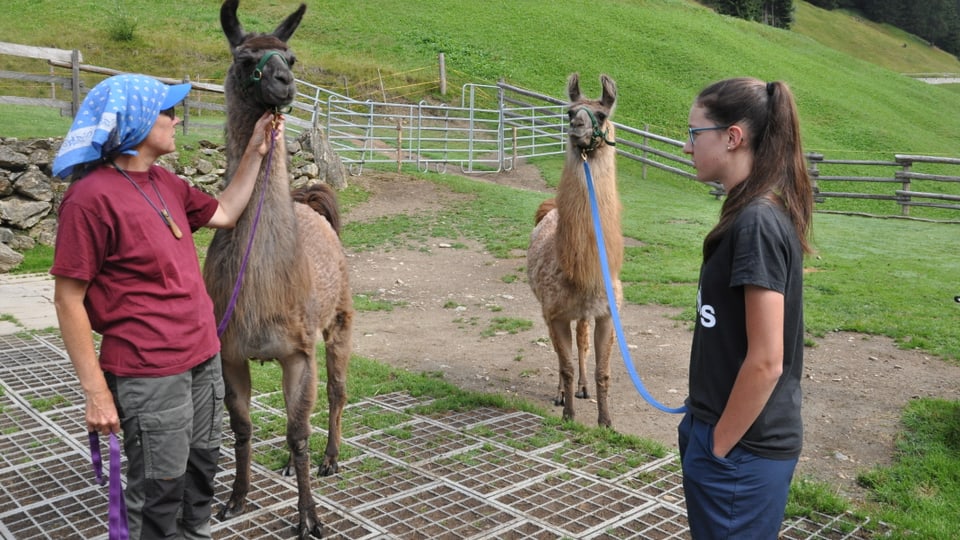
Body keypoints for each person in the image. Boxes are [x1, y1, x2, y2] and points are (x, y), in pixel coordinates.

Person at [49, 73, 283, 539]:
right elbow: (67, 298)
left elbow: (226, 212)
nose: (177, 119)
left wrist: (256, 151)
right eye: (167, 111)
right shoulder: (90, 199)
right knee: (159, 492)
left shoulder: (165, 183)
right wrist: (96, 392)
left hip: (202, 358)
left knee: (200, 473)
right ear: (135, 123)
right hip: (147, 372)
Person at [678, 77, 814, 539]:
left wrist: (717, 447)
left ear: (732, 137)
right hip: (722, 436)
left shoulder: (756, 220)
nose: (685, 146)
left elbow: (767, 361)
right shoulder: (746, 210)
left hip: (740, 452)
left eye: (695, 134)